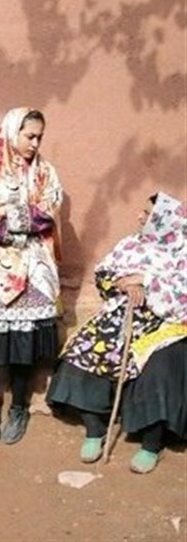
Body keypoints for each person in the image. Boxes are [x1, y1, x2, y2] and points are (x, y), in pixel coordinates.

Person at [47, 193, 186, 473]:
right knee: (82, 352)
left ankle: (151, 443)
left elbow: (181, 298)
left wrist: (147, 283)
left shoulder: (181, 253)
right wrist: (124, 284)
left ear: (162, 221)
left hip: (163, 325)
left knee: (160, 368)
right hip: (120, 314)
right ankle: (95, 427)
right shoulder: (130, 244)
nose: (139, 218)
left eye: (147, 215)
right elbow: (105, 274)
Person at [0, 107, 62, 445]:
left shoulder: (46, 172)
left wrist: (11, 215)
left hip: (33, 265)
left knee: (24, 339)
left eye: (39, 138)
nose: (34, 143)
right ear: (11, 133)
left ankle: (19, 407)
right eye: (29, 136)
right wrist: (21, 218)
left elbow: (48, 213)